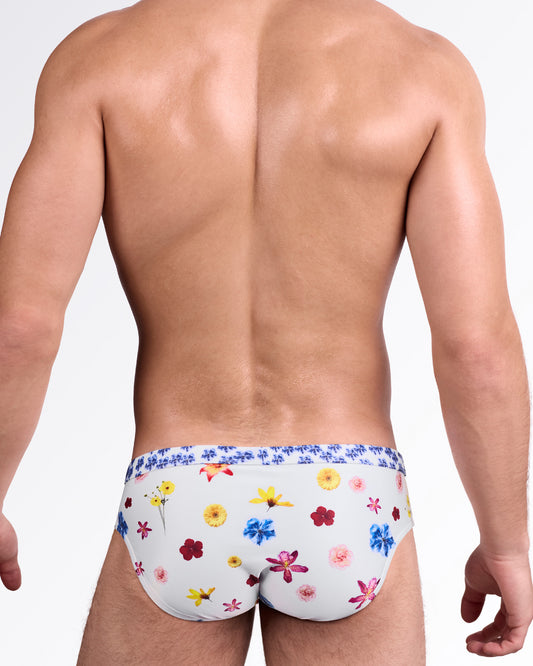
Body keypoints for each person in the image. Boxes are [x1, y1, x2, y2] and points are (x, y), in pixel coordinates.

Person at [0, 0, 531, 663]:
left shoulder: (98, 57)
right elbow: (475, 347)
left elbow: (19, 327)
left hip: (179, 487)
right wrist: (506, 544)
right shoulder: (423, 67)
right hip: (347, 489)